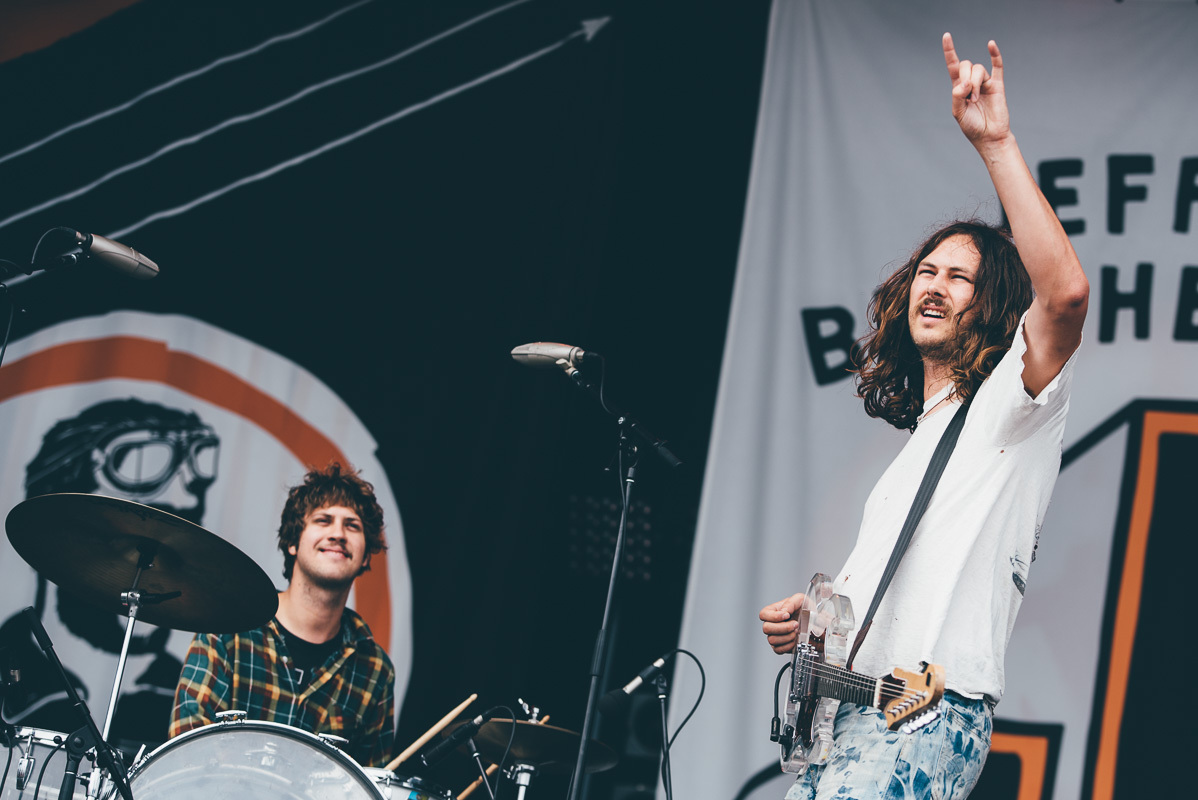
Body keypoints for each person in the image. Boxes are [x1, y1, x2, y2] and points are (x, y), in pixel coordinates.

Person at [759, 34, 1089, 800]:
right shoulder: (928, 436)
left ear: (996, 303)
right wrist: (820, 616)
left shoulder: (1012, 404)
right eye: (927, 272)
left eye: (960, 277)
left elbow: (1066, 297)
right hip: (852, 717)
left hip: (921, 715)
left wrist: (995, 143)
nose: (933, 287)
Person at [170, 462, 395, 768]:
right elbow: (185, 749)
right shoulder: (228, 626)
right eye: (324, 520)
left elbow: (369, 782)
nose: (338, 534)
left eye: (352, 526)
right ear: (293, 542)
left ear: (366, 554)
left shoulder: (375, 669)